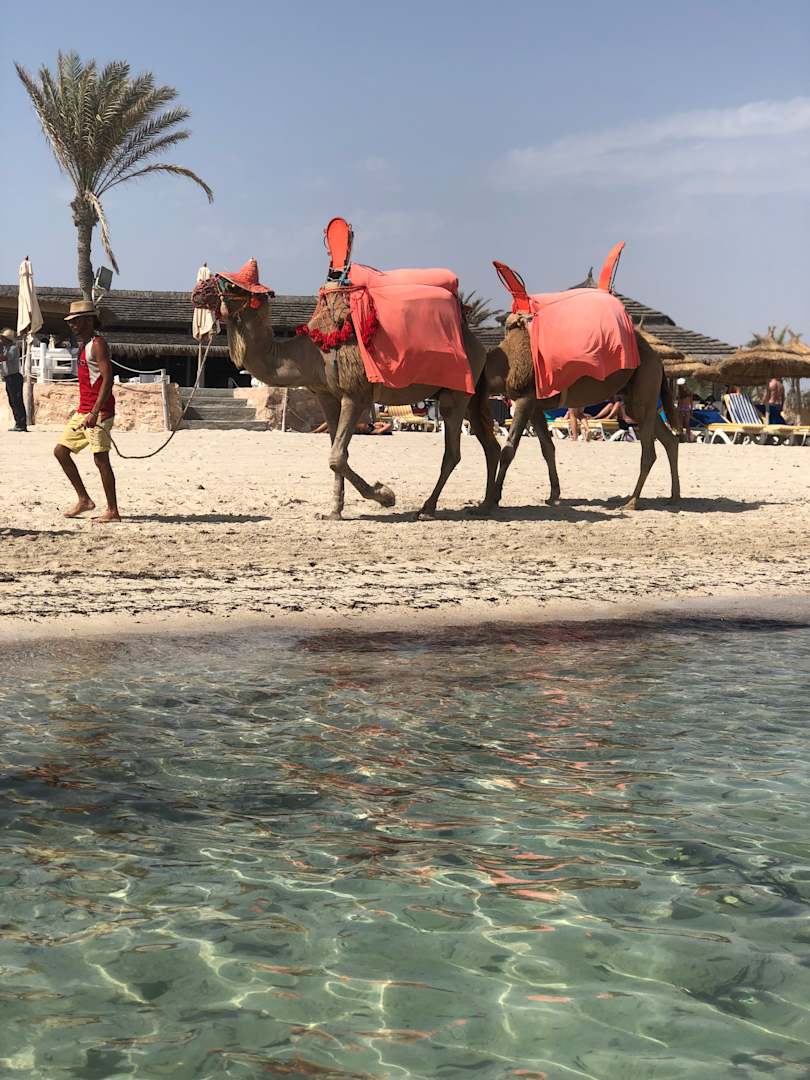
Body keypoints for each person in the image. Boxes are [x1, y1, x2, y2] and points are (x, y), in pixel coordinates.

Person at [54, 300, 120, 522]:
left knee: (101, 459)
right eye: (71, 321)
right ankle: (84, 500)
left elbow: (108, 379)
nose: (71, 324)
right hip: (83, 411)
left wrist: (95, 411)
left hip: (99, 412)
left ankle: (113, 511)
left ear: (89, 321)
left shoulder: (98, 344)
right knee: (60, 451)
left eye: (76, 320)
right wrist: (84, 409)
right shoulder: (84, 345)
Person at [0, 328, 28, 432]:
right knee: (12, 401)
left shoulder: (13, 348)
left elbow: (5, 358)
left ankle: (22, 424)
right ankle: (18, 423)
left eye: (3, 338)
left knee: (17, 401)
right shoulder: (5, 348)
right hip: (9, 377)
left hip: (14, 377)